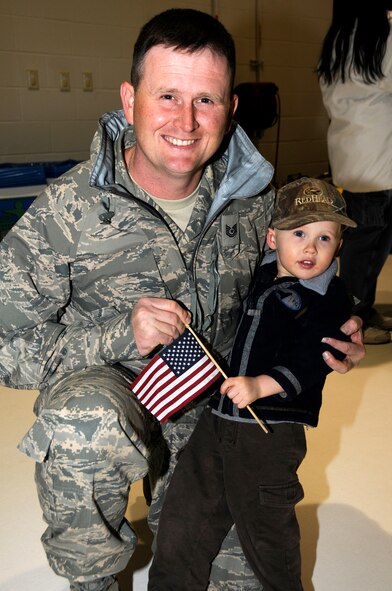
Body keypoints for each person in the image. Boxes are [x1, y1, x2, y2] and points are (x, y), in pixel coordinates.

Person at [0, 9, 364, 591]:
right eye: (167, 94)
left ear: (231, 108)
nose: (186, 121)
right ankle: (91, 581)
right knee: (83, 424)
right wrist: (121, 334)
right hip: (115, 389)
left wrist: (335, 329)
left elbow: (308, 269)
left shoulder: (256, 202)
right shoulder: (68, 212)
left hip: (216, 412)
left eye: (207, 100)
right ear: (130, 98)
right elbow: (2, 346)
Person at [148, 177, 357, 591]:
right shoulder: (258, 275)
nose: (311, 248)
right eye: (298, 233)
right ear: (272, 238)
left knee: (267, 533)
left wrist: (263, 385)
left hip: (270, 435)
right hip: (217, 422)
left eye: (324, 237)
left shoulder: (330, 299)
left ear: (338, 247)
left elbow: (312, 358)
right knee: (185, 517)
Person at [317, 0, 392, 345]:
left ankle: (362, 311)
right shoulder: (379, 41)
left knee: (364, 244)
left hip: (353, 162)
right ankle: (352, 320)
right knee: (368, 247)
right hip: (380, 164)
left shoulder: (337, 44)